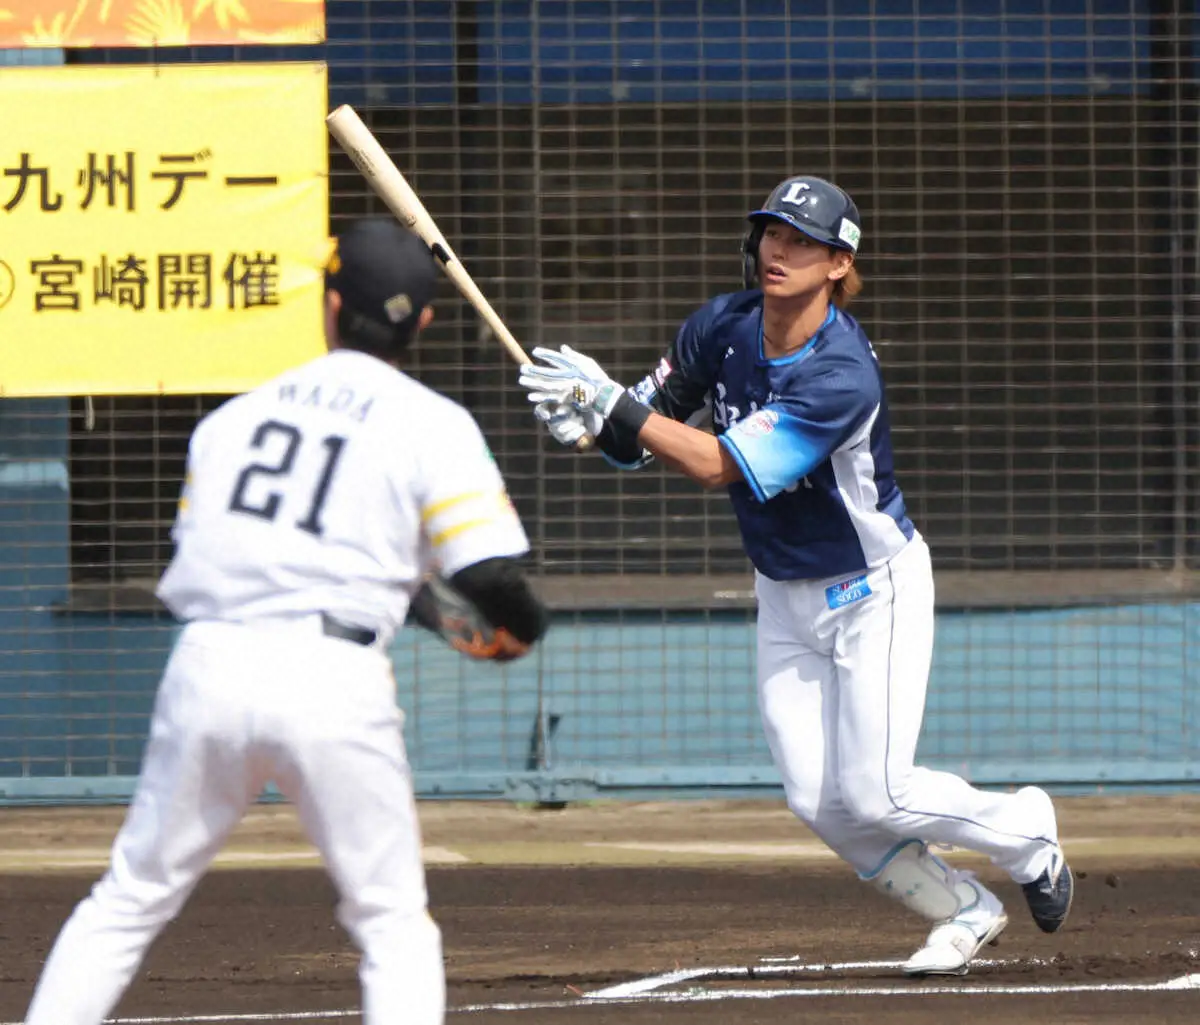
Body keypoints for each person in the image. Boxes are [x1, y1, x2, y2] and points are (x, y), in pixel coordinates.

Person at [516, 176, 1072, 977]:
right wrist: (593, 419)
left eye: (803, 241)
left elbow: (715, 465)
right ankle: (963, 906)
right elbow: (641, 436)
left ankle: (1026, 829)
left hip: (871, 588)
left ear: (839, 264)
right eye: (774, 232)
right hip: (782, 593)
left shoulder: (843, 373)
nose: (780, 250)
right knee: (817, 799)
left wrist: (612, 403)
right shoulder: (725, 325)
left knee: (877, 792)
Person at [24, 218, 549, 1025]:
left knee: (128, 897)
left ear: (330, 307)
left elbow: (257, 552)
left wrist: (405, 588)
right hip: (332, 679)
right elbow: (488, 574)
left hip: (211, 663)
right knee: (391, 922)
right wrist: (521, 630)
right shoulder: (433, 422)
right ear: (425, 323)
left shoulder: (232, 420)